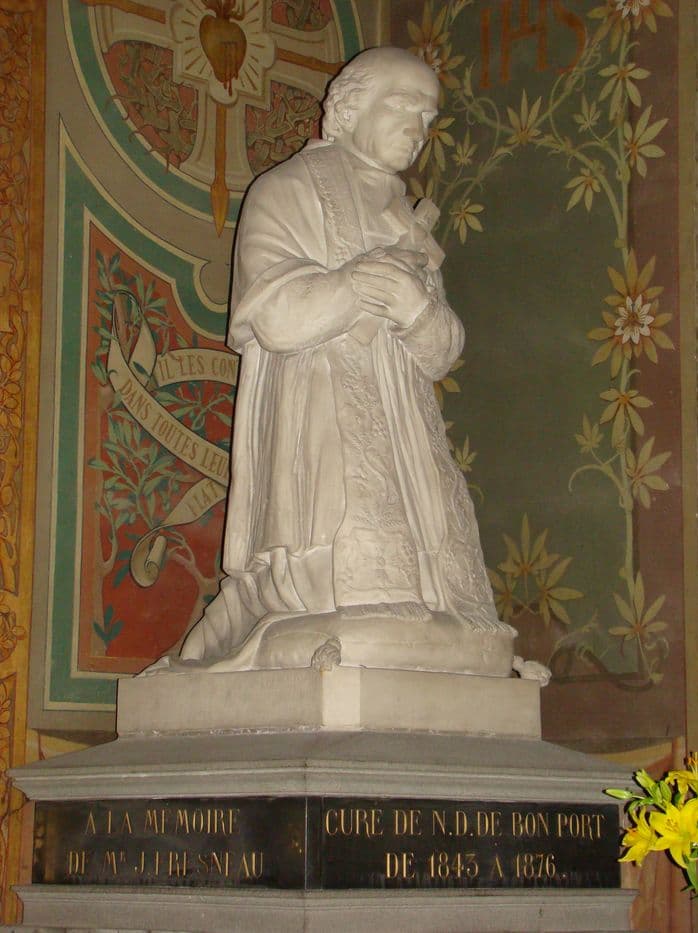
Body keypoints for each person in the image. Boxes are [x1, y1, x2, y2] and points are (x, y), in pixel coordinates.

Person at [165, 47, 514, 675]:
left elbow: (441, 352)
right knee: (363, 606)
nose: (418, 129)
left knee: (465, 629)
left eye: (428, 117)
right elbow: (272, 315)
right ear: (350, 109)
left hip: (408, 430)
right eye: (404, 107)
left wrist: (416, 310)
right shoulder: (287, 191)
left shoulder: (407, 217)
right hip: (322, 418)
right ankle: (271, 607)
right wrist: (356, 285)